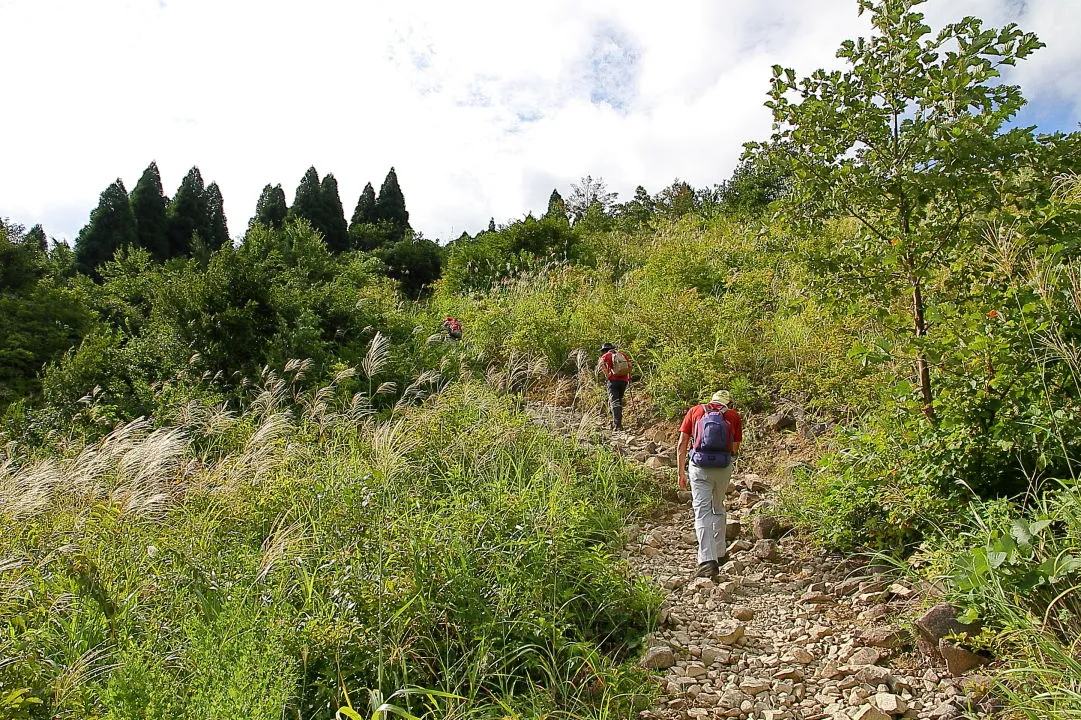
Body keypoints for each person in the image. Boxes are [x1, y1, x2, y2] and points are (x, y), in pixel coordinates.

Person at [676, 390, 743, 578]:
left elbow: (682, 444)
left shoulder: (695, 411)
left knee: (702, 511)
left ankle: (707, 561)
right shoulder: (733, 416)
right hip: (722, 467)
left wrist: (681, 472)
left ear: (711, 400)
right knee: (718, 507)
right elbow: (734, 448)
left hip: (699, 467)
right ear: (728, 403)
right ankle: (720, 553)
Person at [596, 342, 632, 431]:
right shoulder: (622, 354)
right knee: (618, 401)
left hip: (613, 381)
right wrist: (627, 375)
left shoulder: (606, 355)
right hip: (624, 381)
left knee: (614, 402)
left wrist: (607, 374)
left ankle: (618, 424)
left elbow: (601, 364)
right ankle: (613, 421)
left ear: (604, 350)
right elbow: (630, 366)